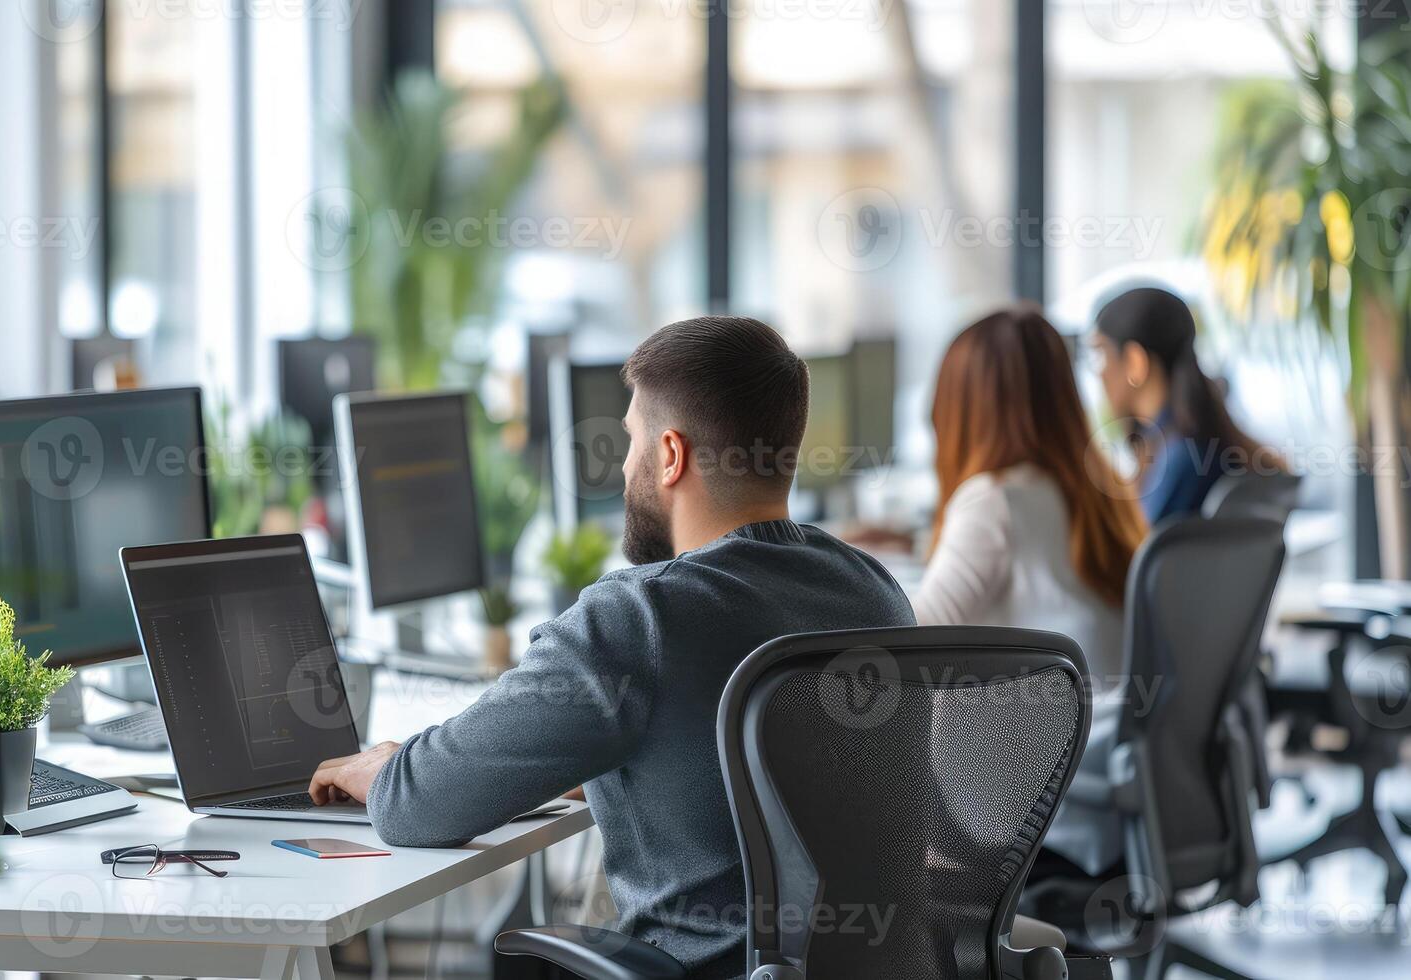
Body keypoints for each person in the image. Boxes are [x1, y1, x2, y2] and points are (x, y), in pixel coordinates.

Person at [308, 315, 915, 977]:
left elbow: (416, 805)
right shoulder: (874, 591)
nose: (624, 465)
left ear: (671, 455)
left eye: (630, 441)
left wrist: (383, 770)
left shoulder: (639, 617)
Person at [913, 306, 1147, 690]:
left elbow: (911, 642)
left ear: (959, 412)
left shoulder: (993, 500)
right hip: (1104, 729)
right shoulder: (1099, 488)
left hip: (1046, 743)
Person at [1090, 286, 1281, 524]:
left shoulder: (1180, 460)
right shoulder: (1205, 444)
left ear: (1134, 362)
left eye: (1100, 354)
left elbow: (1135, 551)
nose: (1098, 374)